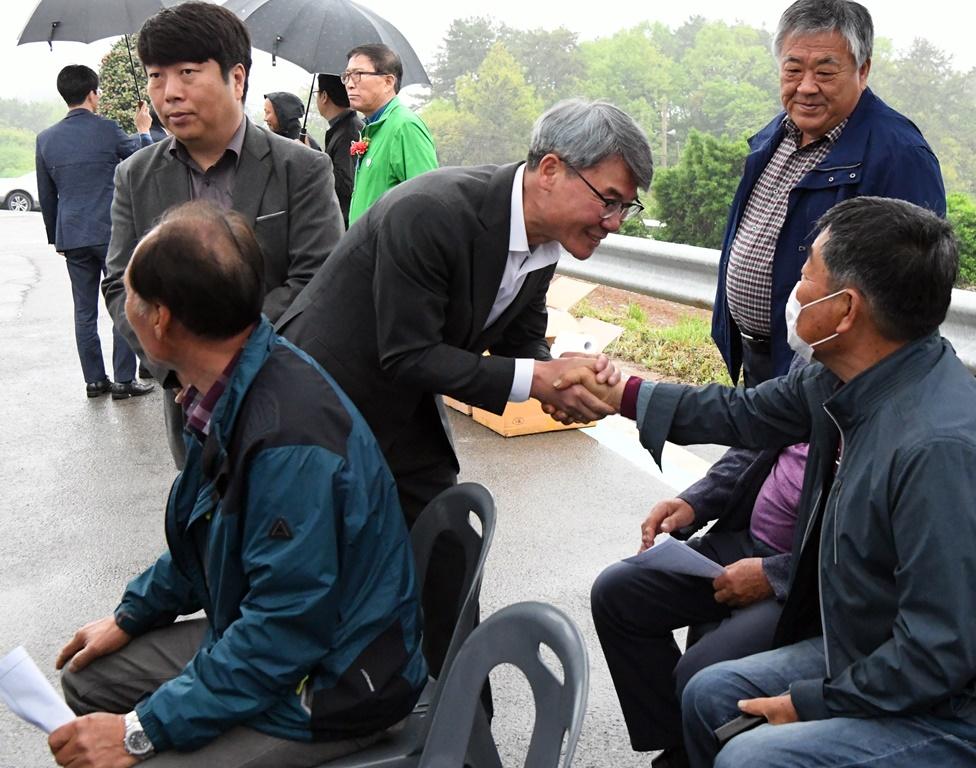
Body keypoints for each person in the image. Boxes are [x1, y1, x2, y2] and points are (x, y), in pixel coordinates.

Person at [561, 197, 976, 768]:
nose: (797, 290)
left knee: (750, 757)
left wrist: (811, 703)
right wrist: (623, 396)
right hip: (878, 648)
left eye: (806, 274)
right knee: (708, 696)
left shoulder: (940, 450)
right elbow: (744, 414)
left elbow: (942, 651)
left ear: (845, 309)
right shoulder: (853, 376)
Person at [278, 98, 652, 676]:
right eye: (608, 200)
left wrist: (564, 384)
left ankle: (460, 727)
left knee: (448, 560)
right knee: (321, 581)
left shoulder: (546, 242)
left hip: (402, 414)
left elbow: (520, 347)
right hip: (319, 412)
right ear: (550, 169)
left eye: (626, 208)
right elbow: (408, 354)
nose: (614, 223)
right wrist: (538, 379)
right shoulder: (430, 211)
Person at [48, 201, 425, 768]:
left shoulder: (288, 443)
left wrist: (140, 730)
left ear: (162, 321)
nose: (122, 305)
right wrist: (132, 615)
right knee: (88, 680)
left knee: (137, 758)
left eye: (128, 292)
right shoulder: (229, 383)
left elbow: (283, 634)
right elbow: (206, 539)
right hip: (280, 636)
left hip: (333, 684)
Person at [100, 1, 343, 468]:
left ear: (236, 78)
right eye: (156, 75)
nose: (168, 93)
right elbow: (118, 284)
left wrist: (227, 360)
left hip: (280, 393)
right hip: (186, 407)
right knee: (204, 525)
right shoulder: (135, 175)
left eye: (188, 72)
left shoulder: (303, 168)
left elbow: (315, 281)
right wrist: (177, 367)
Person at [711, 0, 945, 387]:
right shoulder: (775, 135)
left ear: (863, 69)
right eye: (793, 70)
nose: (806, 87)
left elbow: (912, 291)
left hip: (828, 377)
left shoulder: (899, 154)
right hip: (760, 359)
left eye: (824, 71)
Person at [591, 403, 808, 766]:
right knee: (618, 593)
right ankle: (681, 745)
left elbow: (861, 549)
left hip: (804, 579)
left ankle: (692, 752)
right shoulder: (814, 372)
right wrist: (692, 502)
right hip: (746, 542)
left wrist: (773, 575)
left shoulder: (882, 410)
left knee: (701, 674)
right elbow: (755, 436)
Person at [35, 64, 154, 400]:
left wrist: (55, 236)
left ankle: (94, 381)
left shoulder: (46, 139)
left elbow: (46, 195)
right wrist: (143, 129)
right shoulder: (106, 130)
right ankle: (124, 381)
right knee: (121, 300)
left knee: (83, 310)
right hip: (110, 233)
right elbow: (141, 159)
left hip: (71, 235)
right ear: (92, 93)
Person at [342, 43, 437, 225]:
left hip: (389, 250)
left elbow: (427, 202)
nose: (350, 84)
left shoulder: (405, 126)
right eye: (347, 76)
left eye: (358, 75)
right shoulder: (372, 128)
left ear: (388, 82)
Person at [315, 73, 364, 226]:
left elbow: (346, 183)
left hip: (347, 224)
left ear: (324, 96)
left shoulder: (349, 131)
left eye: (317, 93)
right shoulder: (342, 128)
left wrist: (312, 159)